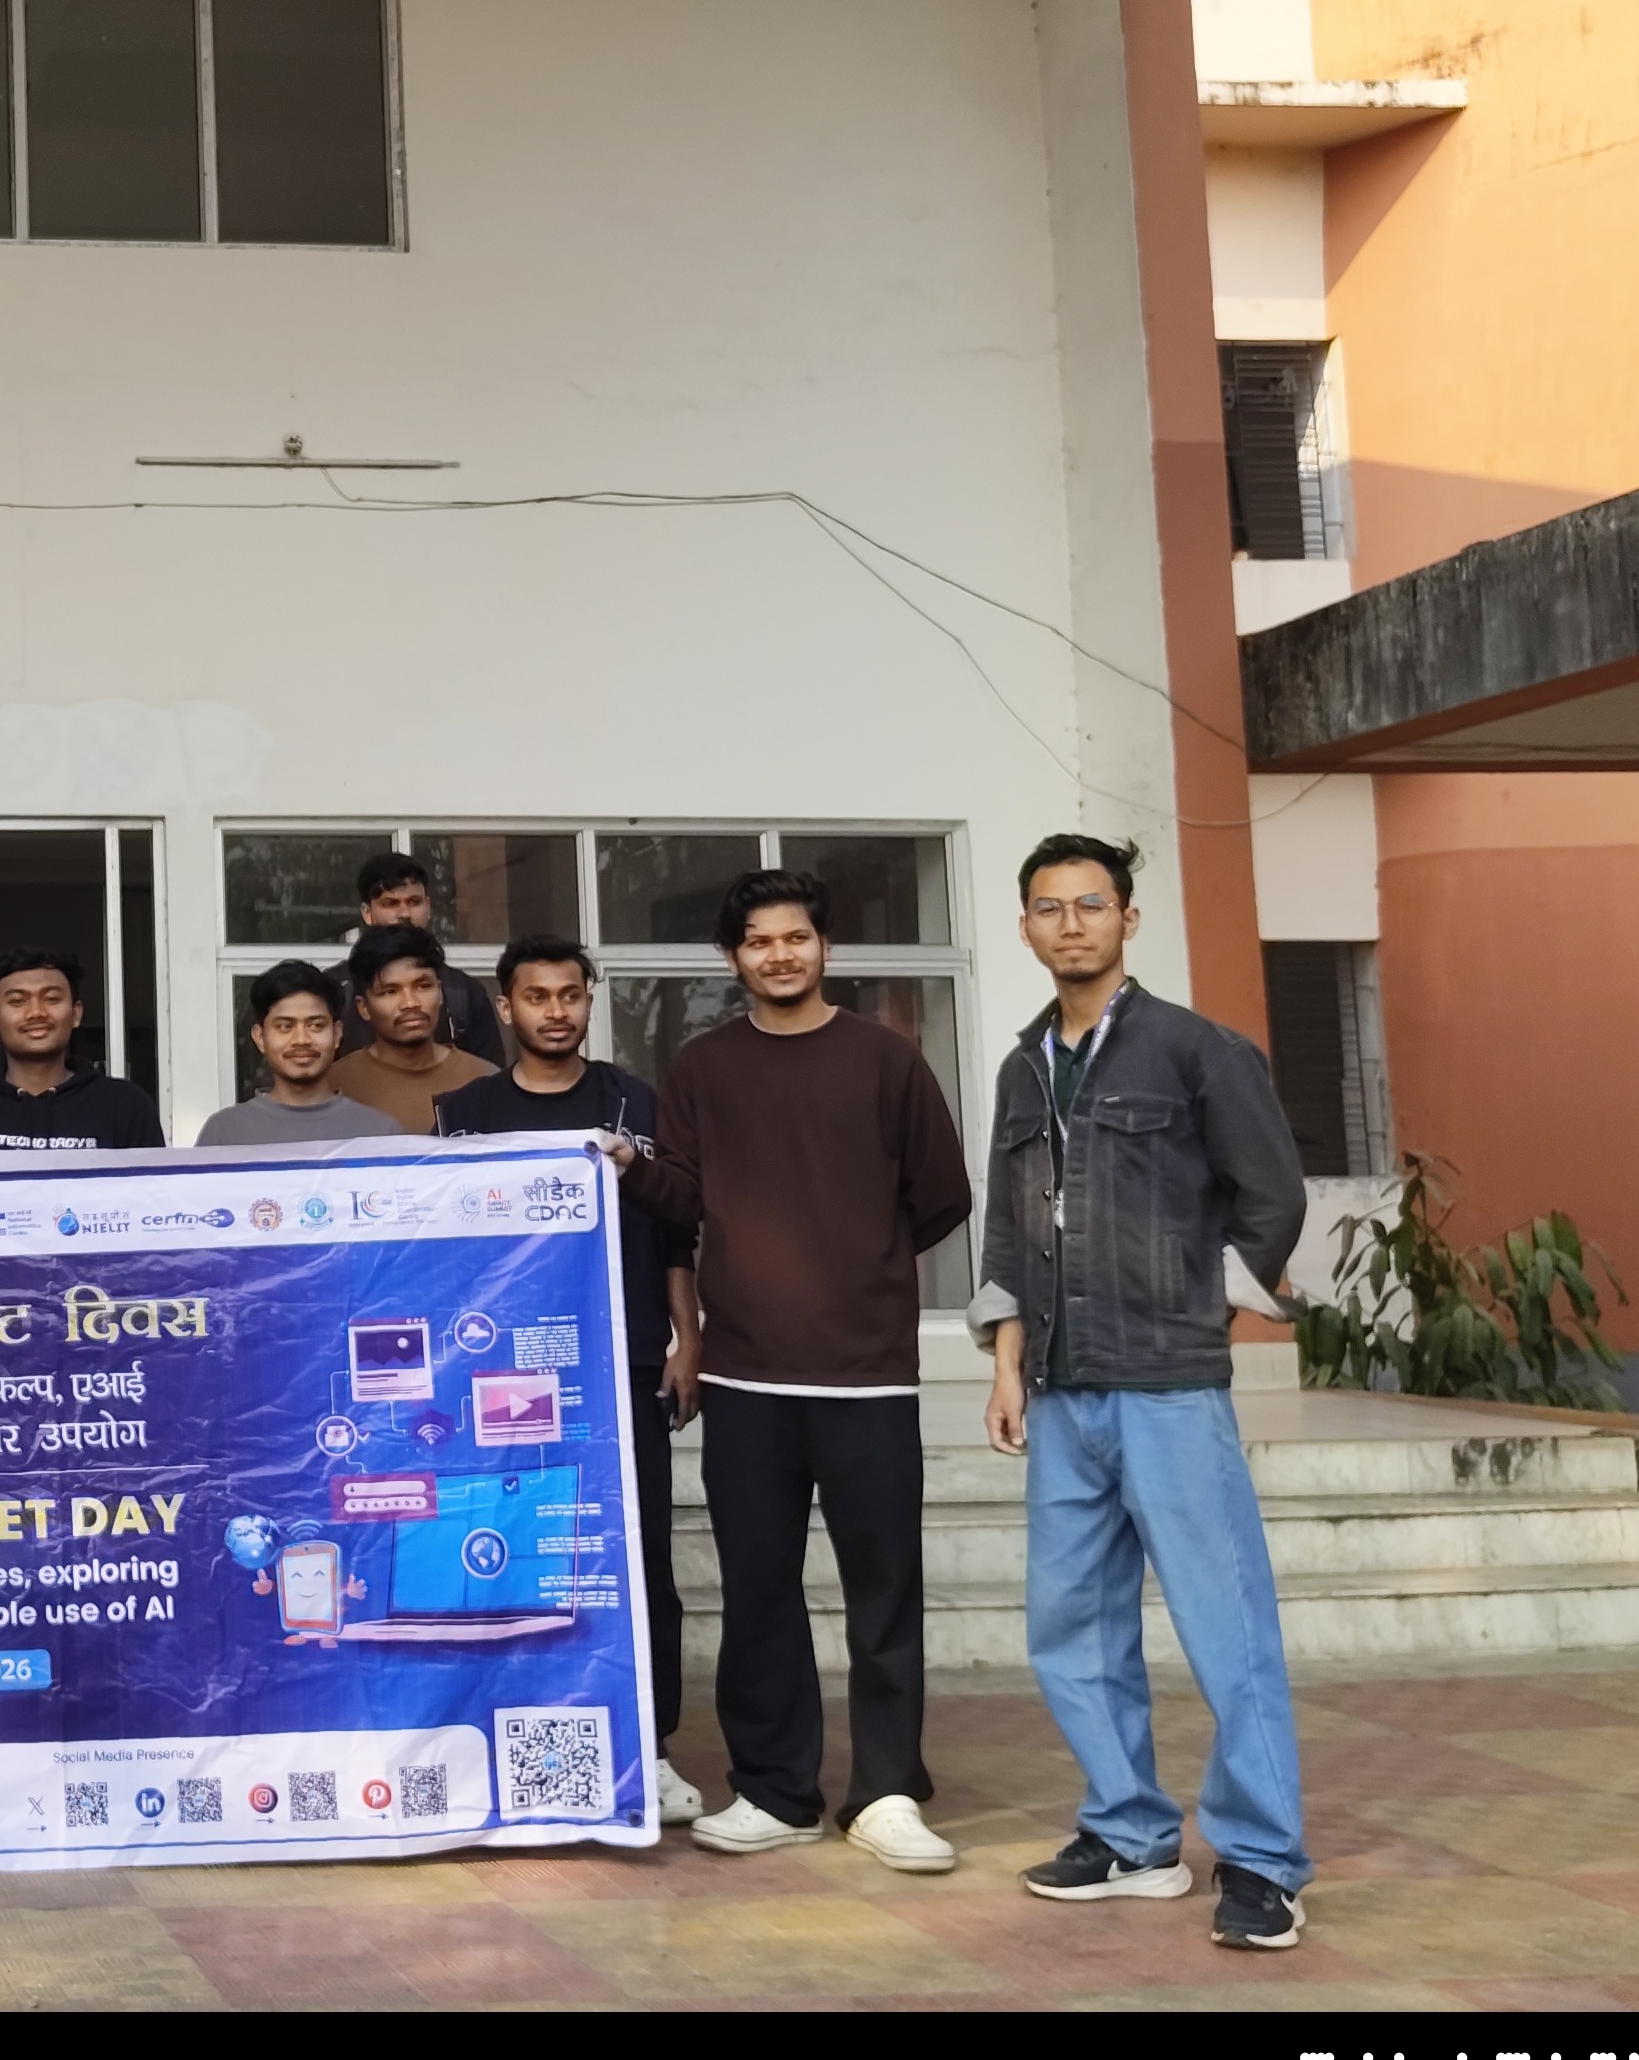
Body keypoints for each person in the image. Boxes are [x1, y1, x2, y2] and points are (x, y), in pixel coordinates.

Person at [978, 835, 1316, 1950]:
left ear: (1127, 919)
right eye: (1049, 908)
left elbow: (1271, 1197)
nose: (1070, 924)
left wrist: (1194, 1308)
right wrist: (1006, 1363)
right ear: (1025, 928)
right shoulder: (1022, 1068)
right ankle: (1130, 1834)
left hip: (1168, 1388)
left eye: (1091, 904)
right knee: (1070, 1628)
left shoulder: (1196, 1049)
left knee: (1226, 1626)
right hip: (1061, 1390)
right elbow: (1008, 1227)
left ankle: (1262, 1860)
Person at [620, 869, 973, 1873]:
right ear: (732, 958)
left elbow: (940, 1196)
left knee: (884, 1592)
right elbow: (683, 1195)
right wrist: (628, 1167)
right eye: (759, 941)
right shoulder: (702, 1067)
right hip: (744, 1377)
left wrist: (859, 1262)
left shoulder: (886, 1059)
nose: (780, 954)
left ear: (824, 946)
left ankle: (888, 1793)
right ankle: (775, 1791)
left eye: (796, 937)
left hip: (867, 1376)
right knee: (759, 1591)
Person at [437, 938, 707, 1822]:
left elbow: (676, 1227)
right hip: (499, 1376)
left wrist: (687, 1339)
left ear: (589, 1001)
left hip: (623, 1362)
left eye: (570, 995)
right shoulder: (465, 1112)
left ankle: (651, 1746)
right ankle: (507, 1738)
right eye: (536, 996)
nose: (555, 1011)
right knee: (513, 1559)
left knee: (638, 1557)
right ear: (504, 1007)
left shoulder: (635, 1100)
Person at [0, 947, 166, 1151]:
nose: (36, 1013)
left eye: (51, 998)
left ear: (76, 1013)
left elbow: (152, 1183)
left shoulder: (126, 1106)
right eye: (17, 1001)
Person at [195, 960, 402, 1146]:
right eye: (285, 1026)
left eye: (316, 1025)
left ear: (337, 1034)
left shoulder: (381, 1132)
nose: (301, 1040)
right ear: (260, 1038)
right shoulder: (223, 1133)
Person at [325, 924, 499, 1134]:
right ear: (364, 1008)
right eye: (390, 991)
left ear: (440, 992)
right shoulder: (333, 1085)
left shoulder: (486, 1079)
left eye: (423, 986)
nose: (410, 1003)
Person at [338, 850, 508, 1063]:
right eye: (391, 903)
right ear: (367, 912)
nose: (404, 914)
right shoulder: (337, 989)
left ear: (428, 907)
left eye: (414, 902)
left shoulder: (464, 992)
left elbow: (490, 1074)